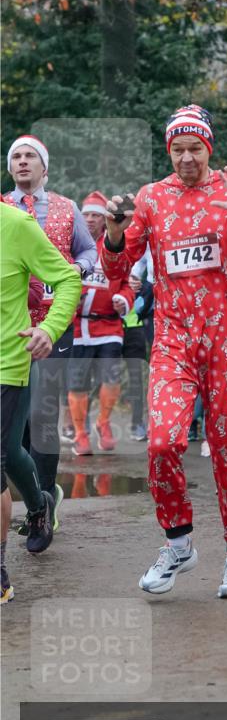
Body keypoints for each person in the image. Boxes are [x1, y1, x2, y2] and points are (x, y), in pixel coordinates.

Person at [101, 104, 227, 599]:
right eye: (178, 148)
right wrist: (114, 233)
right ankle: (179, 542)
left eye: (196, 148)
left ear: (209, 147)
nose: (187, 157)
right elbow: (117, 268)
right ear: (169, 150)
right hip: (172, 341)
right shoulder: (152, 198)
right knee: (164, 442)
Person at [3, 135, 96, 534]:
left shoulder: (65, 208)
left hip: (52, 323)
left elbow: (89, 251)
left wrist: (77, 268)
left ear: (44, 166)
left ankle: (42, 504)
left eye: (30, 157)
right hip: (13, 324)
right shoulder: (5, 209)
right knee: (16, 430)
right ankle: (41, 496)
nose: (23, 162)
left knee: (41, 417)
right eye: (16, 157)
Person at [1, 201, 82, 592]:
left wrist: (49, 329)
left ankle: (0, 575)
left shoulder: (17, 225)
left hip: (6, 362)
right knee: (11, 452)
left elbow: (68, 279)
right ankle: (39, 504)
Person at [67, 192, 135, 455]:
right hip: (78, 328)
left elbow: (129, 282)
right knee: (78, 382)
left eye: (97, 215)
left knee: (112, 377)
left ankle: (103, 422)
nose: (91, 219)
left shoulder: (115, 243)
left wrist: (124, 299)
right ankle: (81, 435)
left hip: (109, 327)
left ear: (105, 219)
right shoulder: (71, 246)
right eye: (87, 215)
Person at [122, 248, 154, 441]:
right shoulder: (96, 248)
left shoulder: (147, 234)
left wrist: (134, 279)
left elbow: (139, 264)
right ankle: (84, 426)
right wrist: (132, 276)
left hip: (137, 321)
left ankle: (139, 423)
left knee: (138, 375)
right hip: (104, 324)